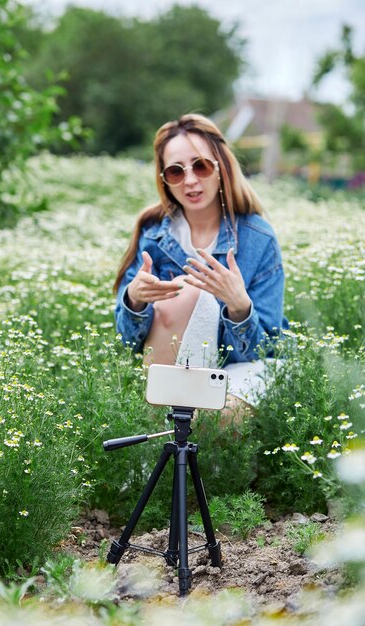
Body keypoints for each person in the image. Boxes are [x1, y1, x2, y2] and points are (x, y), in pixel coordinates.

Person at [113, 114, 288, 418]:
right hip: (172, 375)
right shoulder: (153, 233)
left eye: (201, 166)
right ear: (164, 180)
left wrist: (239, 307)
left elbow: (263, 351)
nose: (190, 180)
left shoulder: (257, 238)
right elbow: (127, 342)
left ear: (222, 167)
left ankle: (185, 441)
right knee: (181, 294)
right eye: (175, 171)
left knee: (218, 418)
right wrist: (135, 300)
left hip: (242, 366)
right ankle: (162, 437)